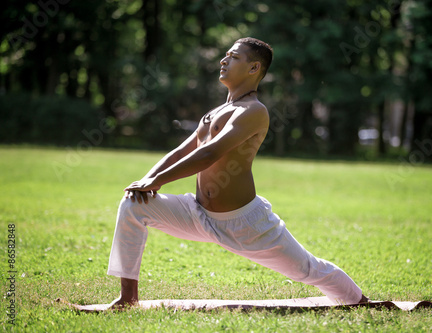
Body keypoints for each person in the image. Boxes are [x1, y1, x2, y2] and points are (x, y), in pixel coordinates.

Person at [107, 37, 368, 308]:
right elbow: (181, 151)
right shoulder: (216, 112)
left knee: (308, 269)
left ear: (254, 68)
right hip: (198, 213)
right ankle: (128, 299)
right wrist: (148, 180)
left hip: (245, 223)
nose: (223, 60)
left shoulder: (254, 111)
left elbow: (210, 153)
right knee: (133, 205)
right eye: (226, 55)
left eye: (233, 57)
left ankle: (363, 302)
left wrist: (158, 181)